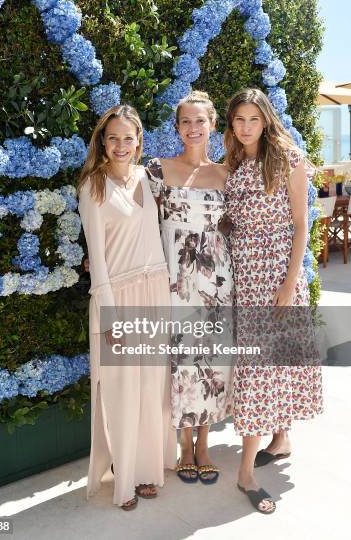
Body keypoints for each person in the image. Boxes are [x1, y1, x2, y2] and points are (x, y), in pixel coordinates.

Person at [224, 87, 323, 514]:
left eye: (253, 119)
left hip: (278, 275)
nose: (246, 128)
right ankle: (280, 439)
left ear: (265, 120)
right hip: (242, 275)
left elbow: (301, 226)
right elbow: (227, 221)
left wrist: (289, 282)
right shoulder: (233, 163)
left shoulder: (289, 159)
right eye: (239, 120)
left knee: (260, 369)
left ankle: (245, 471)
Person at [77, 104, 176, 511]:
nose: (120, 145)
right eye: (112, 137)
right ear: (103, 140)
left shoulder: (150, 179)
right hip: (117, 298)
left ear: (139, 141)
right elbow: (97, 259)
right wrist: (111, 316)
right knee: (120, 391)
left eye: (128, 137)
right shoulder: (92, 186)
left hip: (155, 291)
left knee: (153, 390)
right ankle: (123, 477)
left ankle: (149, 470)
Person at [146, 91, 233, 486]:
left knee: (212, 360)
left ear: (213, 124)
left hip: (217, 279)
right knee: (181, 359)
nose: (194, 128)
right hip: (175, 279)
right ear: (177, 127)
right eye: (186, 121)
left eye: (201, 121)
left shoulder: (228, 173)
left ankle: (204, 445)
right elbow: (136, 220)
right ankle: (184, 444)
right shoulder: (157, 170)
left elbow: (237, 225)